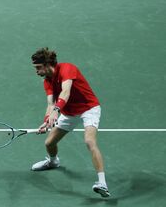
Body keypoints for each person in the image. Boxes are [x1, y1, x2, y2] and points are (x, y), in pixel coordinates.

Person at [30, 47, 110, 198]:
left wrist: (56, 112)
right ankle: (53, 162)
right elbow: (50, 104)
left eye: (38, 67)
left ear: (47, 64)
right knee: (49, 144)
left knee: (89, 141)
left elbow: (65, 92)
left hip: (88, 109)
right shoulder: (47, 82)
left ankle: (102, 183)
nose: (36, 71)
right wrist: (46, 121)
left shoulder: (67, 68)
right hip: (69, 113)